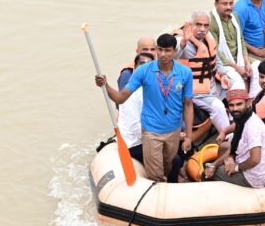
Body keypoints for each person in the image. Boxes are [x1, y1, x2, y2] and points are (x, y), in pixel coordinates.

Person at [96, 34, 194, 182]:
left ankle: (170, 183)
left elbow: (188, 104)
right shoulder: (143, 71)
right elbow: (120, 98)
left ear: (175, 51)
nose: (162, 54)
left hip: (173, 130)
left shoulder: (185, 73)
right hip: (150, 132)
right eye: (160, 50)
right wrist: (106, 85)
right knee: (156, 175)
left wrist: (189, 137)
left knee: (170, 165)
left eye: (167, 50)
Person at [117, 52, 184, 181]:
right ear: (135, 69)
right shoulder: (130, 93)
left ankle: (178, 174)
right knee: (174, 160)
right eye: (142, 65)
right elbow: (135, 127)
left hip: (152, 135)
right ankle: (169, 185)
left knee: (178, 146)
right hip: (135, 143)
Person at [203, 89, 265, 188]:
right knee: (214, 164)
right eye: (231, 105)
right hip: (249, 167)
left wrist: (236, 168)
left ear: (247, 104)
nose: (235, 108)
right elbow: (234, 149)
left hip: (253, 177)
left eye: (239, 104)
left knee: (206, 174)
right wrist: (214, 165)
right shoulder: (243, 119)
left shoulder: (252, 126)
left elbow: (255, 160)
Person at [175, 10, 233, 132]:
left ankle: (235, 125)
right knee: (218, 107)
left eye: (206, 26)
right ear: (190, 24)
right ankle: (228, 137)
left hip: (212, 86)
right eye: (198, 25)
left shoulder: (208, 39)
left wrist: (223, 74)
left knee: (235, 89)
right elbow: (172, 58)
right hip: (194, 91)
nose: (202, 29)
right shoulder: (181, 40)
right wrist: (183, 42)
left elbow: (215, 59)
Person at [208, 0, 259, 98]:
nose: (228, 7)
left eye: (231, 3)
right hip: (223, 62)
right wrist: (237, 68)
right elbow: (215, 51)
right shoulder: (211, 22)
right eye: (224, 4)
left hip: (238, 57)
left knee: (258, 67)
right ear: (216, 4)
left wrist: (247, 62)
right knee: (238, 81)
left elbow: (241, 40)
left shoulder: (234, 16)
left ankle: (252, 99)